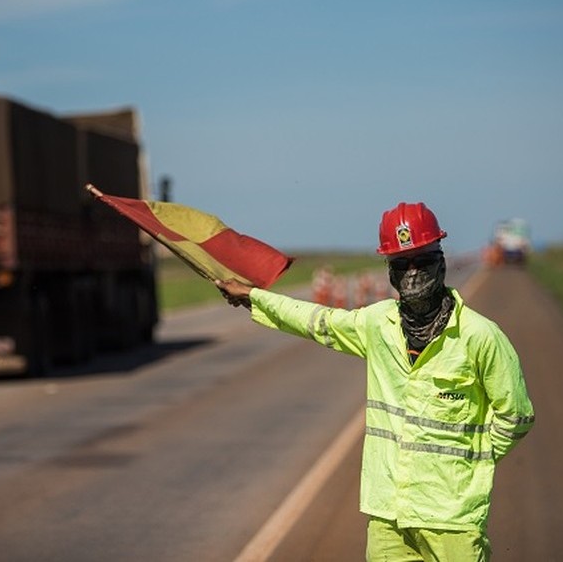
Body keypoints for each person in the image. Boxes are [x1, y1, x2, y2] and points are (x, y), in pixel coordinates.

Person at [216, 202, 535, 562]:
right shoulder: (377, 325)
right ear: (390, 271)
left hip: (452, 518)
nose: (412, 272)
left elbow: (517, 416)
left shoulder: (480, 336)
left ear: (440, 260)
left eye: (421, 260)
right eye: (401, 264)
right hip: (388, 515)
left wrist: (472, 461)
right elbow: (318, 321)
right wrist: (253, 297)